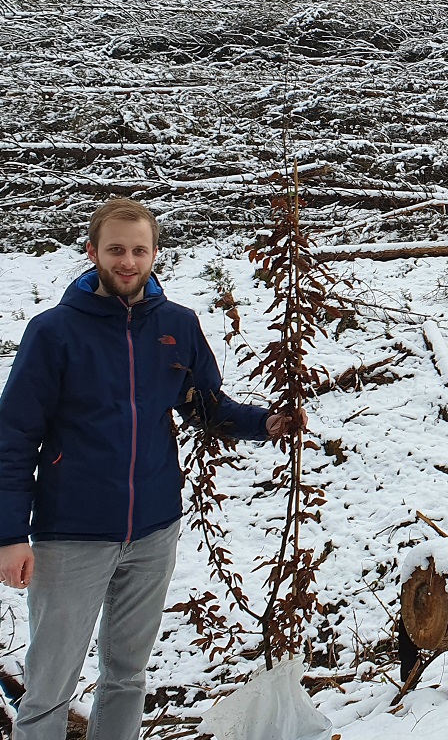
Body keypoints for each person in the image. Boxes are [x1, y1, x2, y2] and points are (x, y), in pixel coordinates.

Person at [0, 199, 303, 740]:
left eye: (139, 250)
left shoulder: (177, 325)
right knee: (49, 688)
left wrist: (269, 424)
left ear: (155, 254)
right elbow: (14, 438)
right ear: (92, 252)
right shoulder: (54, 332)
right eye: (115, 249)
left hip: (155, 530)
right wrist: (9, 535)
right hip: (71, 533)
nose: (127, 261)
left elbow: (205, 405)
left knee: (127, 676)